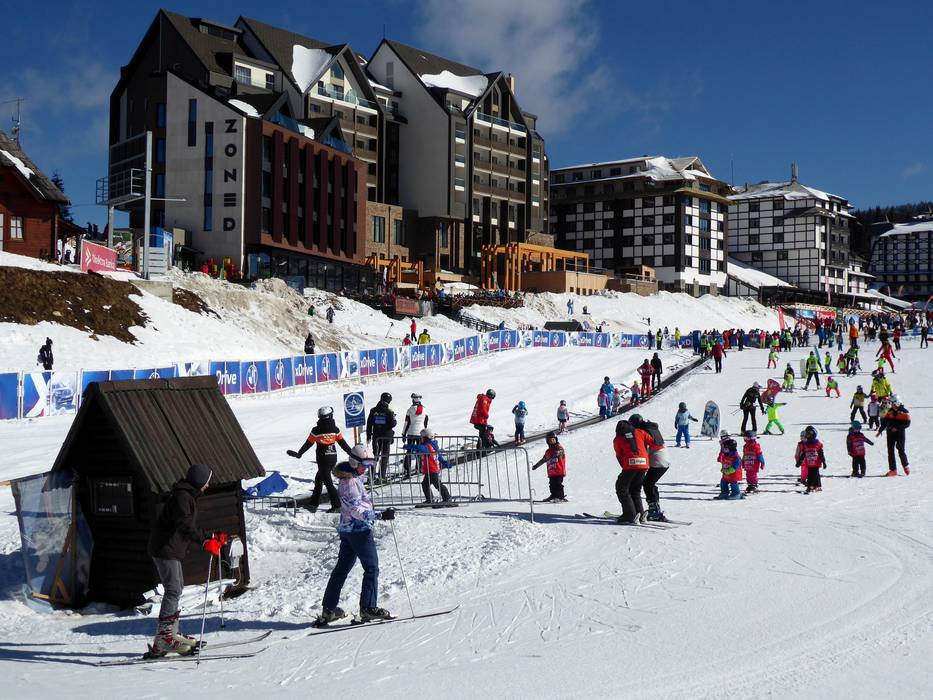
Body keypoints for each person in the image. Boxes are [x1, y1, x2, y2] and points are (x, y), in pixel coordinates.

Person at [317, 445, 395, 625]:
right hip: (359, 530)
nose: (366, 468)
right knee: (371, 567)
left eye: (369, 464)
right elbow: (356, 510)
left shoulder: (352, 477)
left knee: (342, 568)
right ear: (353, 462)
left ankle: (329, 609)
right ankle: (368, 608)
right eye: (364, 464)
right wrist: (379, 515)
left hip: (348, 530)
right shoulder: (350, 483)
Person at [146, 463, 215, 656]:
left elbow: (188, 524)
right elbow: (184, 524)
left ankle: (169, 635)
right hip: (165, 549)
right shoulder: (183, 497)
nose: (208, 485)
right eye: (207, 481)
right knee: (173, 589)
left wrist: (211, 536)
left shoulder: (187, 496)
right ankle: (165, 638)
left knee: (177, 588)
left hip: (170, 549)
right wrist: (204, 542)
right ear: (200, 481)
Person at [287, 407, 352, 512]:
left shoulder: (316, 430)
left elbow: (308, 443)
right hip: (332, 458)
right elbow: (343, 443)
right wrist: (351, 453)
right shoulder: (335, 430)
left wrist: (300, 453)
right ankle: (313, 504)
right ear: (330, 416)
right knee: (318, 480)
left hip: (323, 460)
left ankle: (337, 506)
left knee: (328, 483)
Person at [612, 419, 661, 523]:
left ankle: (629, 515)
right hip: (643, 465)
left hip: (630, 465)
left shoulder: (618, 438)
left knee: (622, 488)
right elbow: (654, 443)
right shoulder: (640, 432)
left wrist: (625, 466)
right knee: (635, 490)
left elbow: (619, 456)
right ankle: (640, 513)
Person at [629, 414, 670, 522]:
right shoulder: (651, 428)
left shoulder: (644, 431)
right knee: (650, 483)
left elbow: (643, 447)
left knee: (648, 484)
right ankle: (655, 508)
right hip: (664, 458)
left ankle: (654, 511)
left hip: (658, 459)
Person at [406, 428, 451, 503]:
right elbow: (439, 456)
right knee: (425, 485)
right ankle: (430, 499)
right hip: (430, 470)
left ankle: (447, 498)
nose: (421, 439)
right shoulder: (433, 445)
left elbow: (420, 447)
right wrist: (444, 462)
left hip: (432, 469)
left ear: (426, 438)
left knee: (437, 484)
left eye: (422, 437)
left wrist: (409, 446)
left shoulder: (427, 446)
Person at [366, 392, 397, 482]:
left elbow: (369, 423)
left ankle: (371, 476)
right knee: (384, 455)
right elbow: (393, 424)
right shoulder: (389, 411)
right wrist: (394, 419)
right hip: (386, 436)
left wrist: (368, 435)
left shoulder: (373, 410)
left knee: (374, 455)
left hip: (376, 436)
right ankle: (381, 476)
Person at [877, 397, 910, 476]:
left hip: (900, 434)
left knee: (901, 450)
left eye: (892, 403)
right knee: (890, 451)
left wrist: (897, 428)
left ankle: (906, 466)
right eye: (891, 403)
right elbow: (885, 422)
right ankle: (893, 470)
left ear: (897, 402)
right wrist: (880, 430)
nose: (891, 405)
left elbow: (907, 424)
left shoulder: (904, 412)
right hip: (890, 433)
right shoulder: (890, 411)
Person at [531, 431, 567, 502]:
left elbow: (561, 451)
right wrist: (536, 466)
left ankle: (560, 497)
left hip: (559, 471)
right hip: (551, 472)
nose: (552, 441)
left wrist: (556, 453)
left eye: (553, 440)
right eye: (550, 440)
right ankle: (553, 495)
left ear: (556, 440)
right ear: (548, 442)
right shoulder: (547, 452)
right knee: (552, 484)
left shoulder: (559, 448)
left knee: (558, 484)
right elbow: (543, 460)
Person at [402, 393, 429, 476]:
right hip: (420, 433)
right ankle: (419, 468)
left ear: (413, 400)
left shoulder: (410, 410)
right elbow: (426, 422)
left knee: (409, 451)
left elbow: (406, 423)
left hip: (411, 433)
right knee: (419, 451)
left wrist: (403, 433)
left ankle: (408, 470)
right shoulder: (424, 410)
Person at [796, 425, 826, 494]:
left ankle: (817, 486)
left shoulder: (818, 444)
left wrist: (824, 462)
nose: (808, 436)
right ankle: (810, 486)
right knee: (809, 475)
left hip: (816, 463)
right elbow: (803, 454)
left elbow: (821, 454)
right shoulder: (805, 444)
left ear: (813, 434)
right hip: (809, 463)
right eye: (807, 434)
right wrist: (799, 462)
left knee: (816, 475)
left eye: (809, 434)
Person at [716, 433, 744, 499]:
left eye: (725, 449)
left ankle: (736, 494)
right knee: (723, 482)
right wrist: (723, 469)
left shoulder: (736, 457)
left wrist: (728, 471)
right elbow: (722, 461)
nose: (724, 450)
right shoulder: (725, 455)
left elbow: (735, 466)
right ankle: (724, 493)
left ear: (731, 449)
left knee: (733, 483)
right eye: (724, 449)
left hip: (734, 474)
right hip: (726, 474)